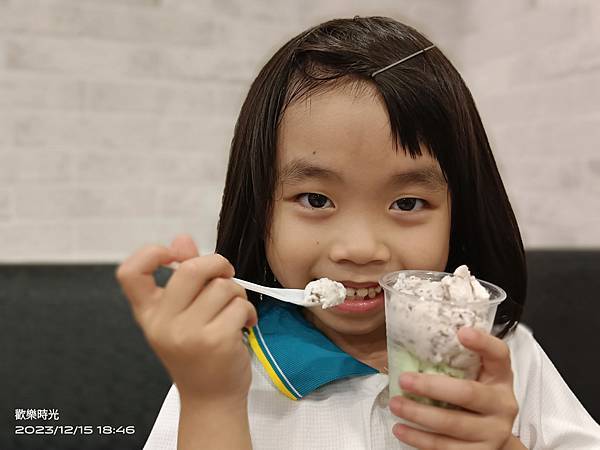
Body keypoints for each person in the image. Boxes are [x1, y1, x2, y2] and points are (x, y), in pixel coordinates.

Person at [116, 16, 600, 449]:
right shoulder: (220, 368)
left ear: (462, 211)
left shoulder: (502, 353)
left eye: (407, 203)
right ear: (258, 208)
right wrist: (212, 402)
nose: (362, 249)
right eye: (315, 200)